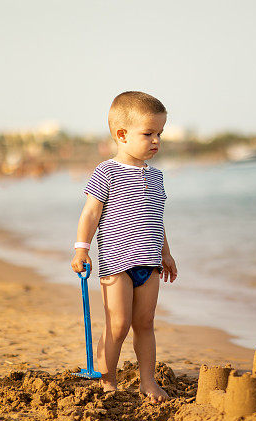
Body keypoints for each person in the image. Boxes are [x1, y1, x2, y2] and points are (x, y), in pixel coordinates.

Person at [70, 91, 177, 403]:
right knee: (118, 324)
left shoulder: (156, 177)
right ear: (121, 134)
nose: (156, 140)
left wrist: (166, 253)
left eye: (160, 133)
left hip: (150, 262)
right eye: (148, 134)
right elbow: (90, 213)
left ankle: (147, 382)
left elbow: (156, 219)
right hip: (117, 264)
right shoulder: (107, 171)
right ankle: (108, 380)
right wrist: (81, 249)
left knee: (145, 324)